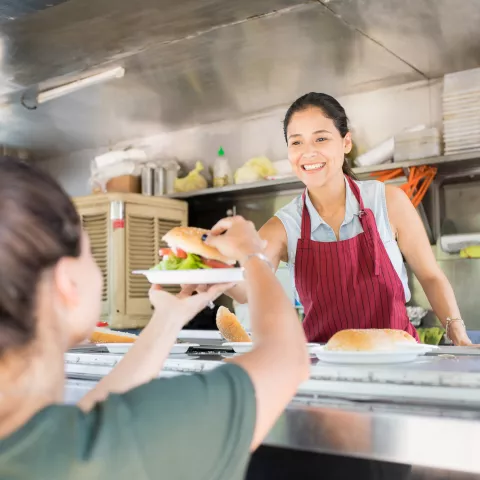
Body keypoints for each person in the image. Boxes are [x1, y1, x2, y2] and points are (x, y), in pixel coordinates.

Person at [0, 158, 309, 479]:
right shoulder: (120, 446)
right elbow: (288, 359)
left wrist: (168, 320)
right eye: (89, 251)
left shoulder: (38, 443)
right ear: (68, 284)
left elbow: (87, 423)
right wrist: (251, 254)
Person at [224, 92, 471, 346]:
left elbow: (430, 276)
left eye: (321, 138)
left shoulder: (388, 202)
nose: (308, 152)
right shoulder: (284, 226)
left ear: (346, 142)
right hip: (326, 370)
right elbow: (247, 290)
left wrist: (458, 335)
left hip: (397, 358)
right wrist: (212, 269)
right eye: (296, 143)